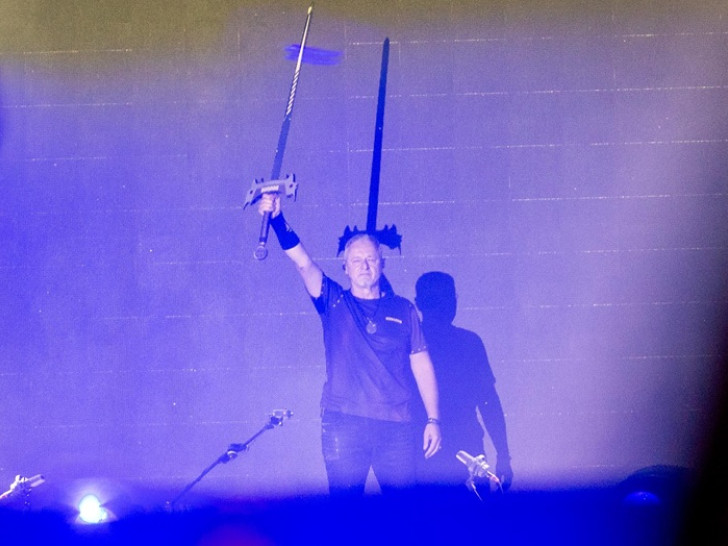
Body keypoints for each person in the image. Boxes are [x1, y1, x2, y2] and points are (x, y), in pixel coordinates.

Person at [257, 193, 442, 497]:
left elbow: (421, 365)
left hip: (396, 428)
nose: (364, 266)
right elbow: (303, 263)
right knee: (345, 512)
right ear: (345, 267)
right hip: (344, 426)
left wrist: (433, 419)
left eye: (370, 259)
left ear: (382, 264)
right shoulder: (334, 302)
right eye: (356, 260)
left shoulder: (403, 309)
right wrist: (277, 219)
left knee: (404, 514)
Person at [414, 271, 513, 491]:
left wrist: (504, 455)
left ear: (418, 303)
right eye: (440, 298)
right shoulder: (468, 343)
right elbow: (489, 402)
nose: (445, 304)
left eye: (448, 297)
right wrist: (503, 455)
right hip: (455, 449)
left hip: (430, 450)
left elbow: (489, 402)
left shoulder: (408, 345)